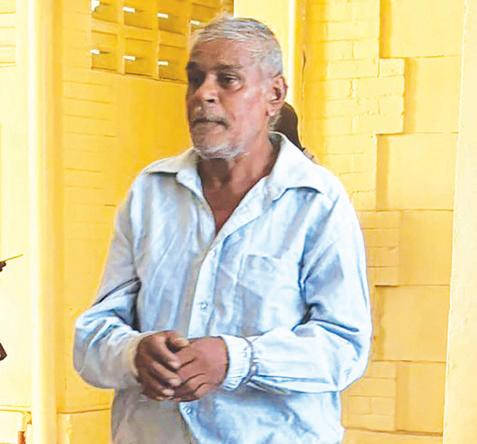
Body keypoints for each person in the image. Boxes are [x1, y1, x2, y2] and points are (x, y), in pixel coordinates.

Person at [74, 15, 371, 444]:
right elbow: (92, 337)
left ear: (274, 95)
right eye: (195, 79)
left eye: (227, 80)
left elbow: (344, 348)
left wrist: (237, 359)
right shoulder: (150, 193)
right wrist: (133, 353)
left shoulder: (317, 202)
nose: (203, 95)